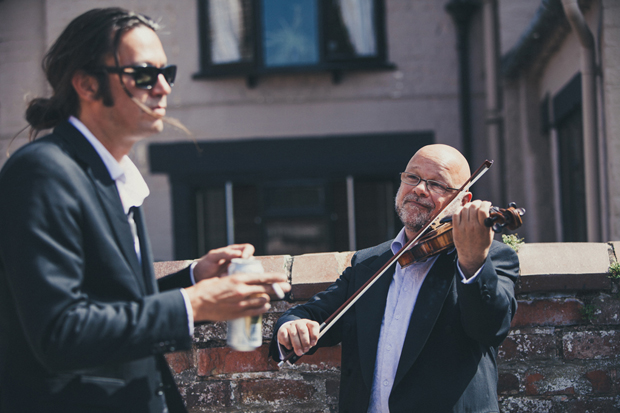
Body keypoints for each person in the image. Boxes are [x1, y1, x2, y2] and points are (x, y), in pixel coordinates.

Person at [0, 8, 289, 413]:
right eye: (141, 74)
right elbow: (60, 332)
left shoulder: (110, 174)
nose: (162, 88)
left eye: (165, 73)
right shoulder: (42, 172)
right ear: (85, 83)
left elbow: (113, 303)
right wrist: (193, 303)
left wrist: (193, 278)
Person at [270, 144, 519, 412]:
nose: (419, 189)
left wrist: (473, 260)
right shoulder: (370, 262)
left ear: (465, 201)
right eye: (412, 177)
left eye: (437, 184)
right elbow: (312, 313)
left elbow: (490, 328)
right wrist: (291, 326)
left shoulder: (490, 257)